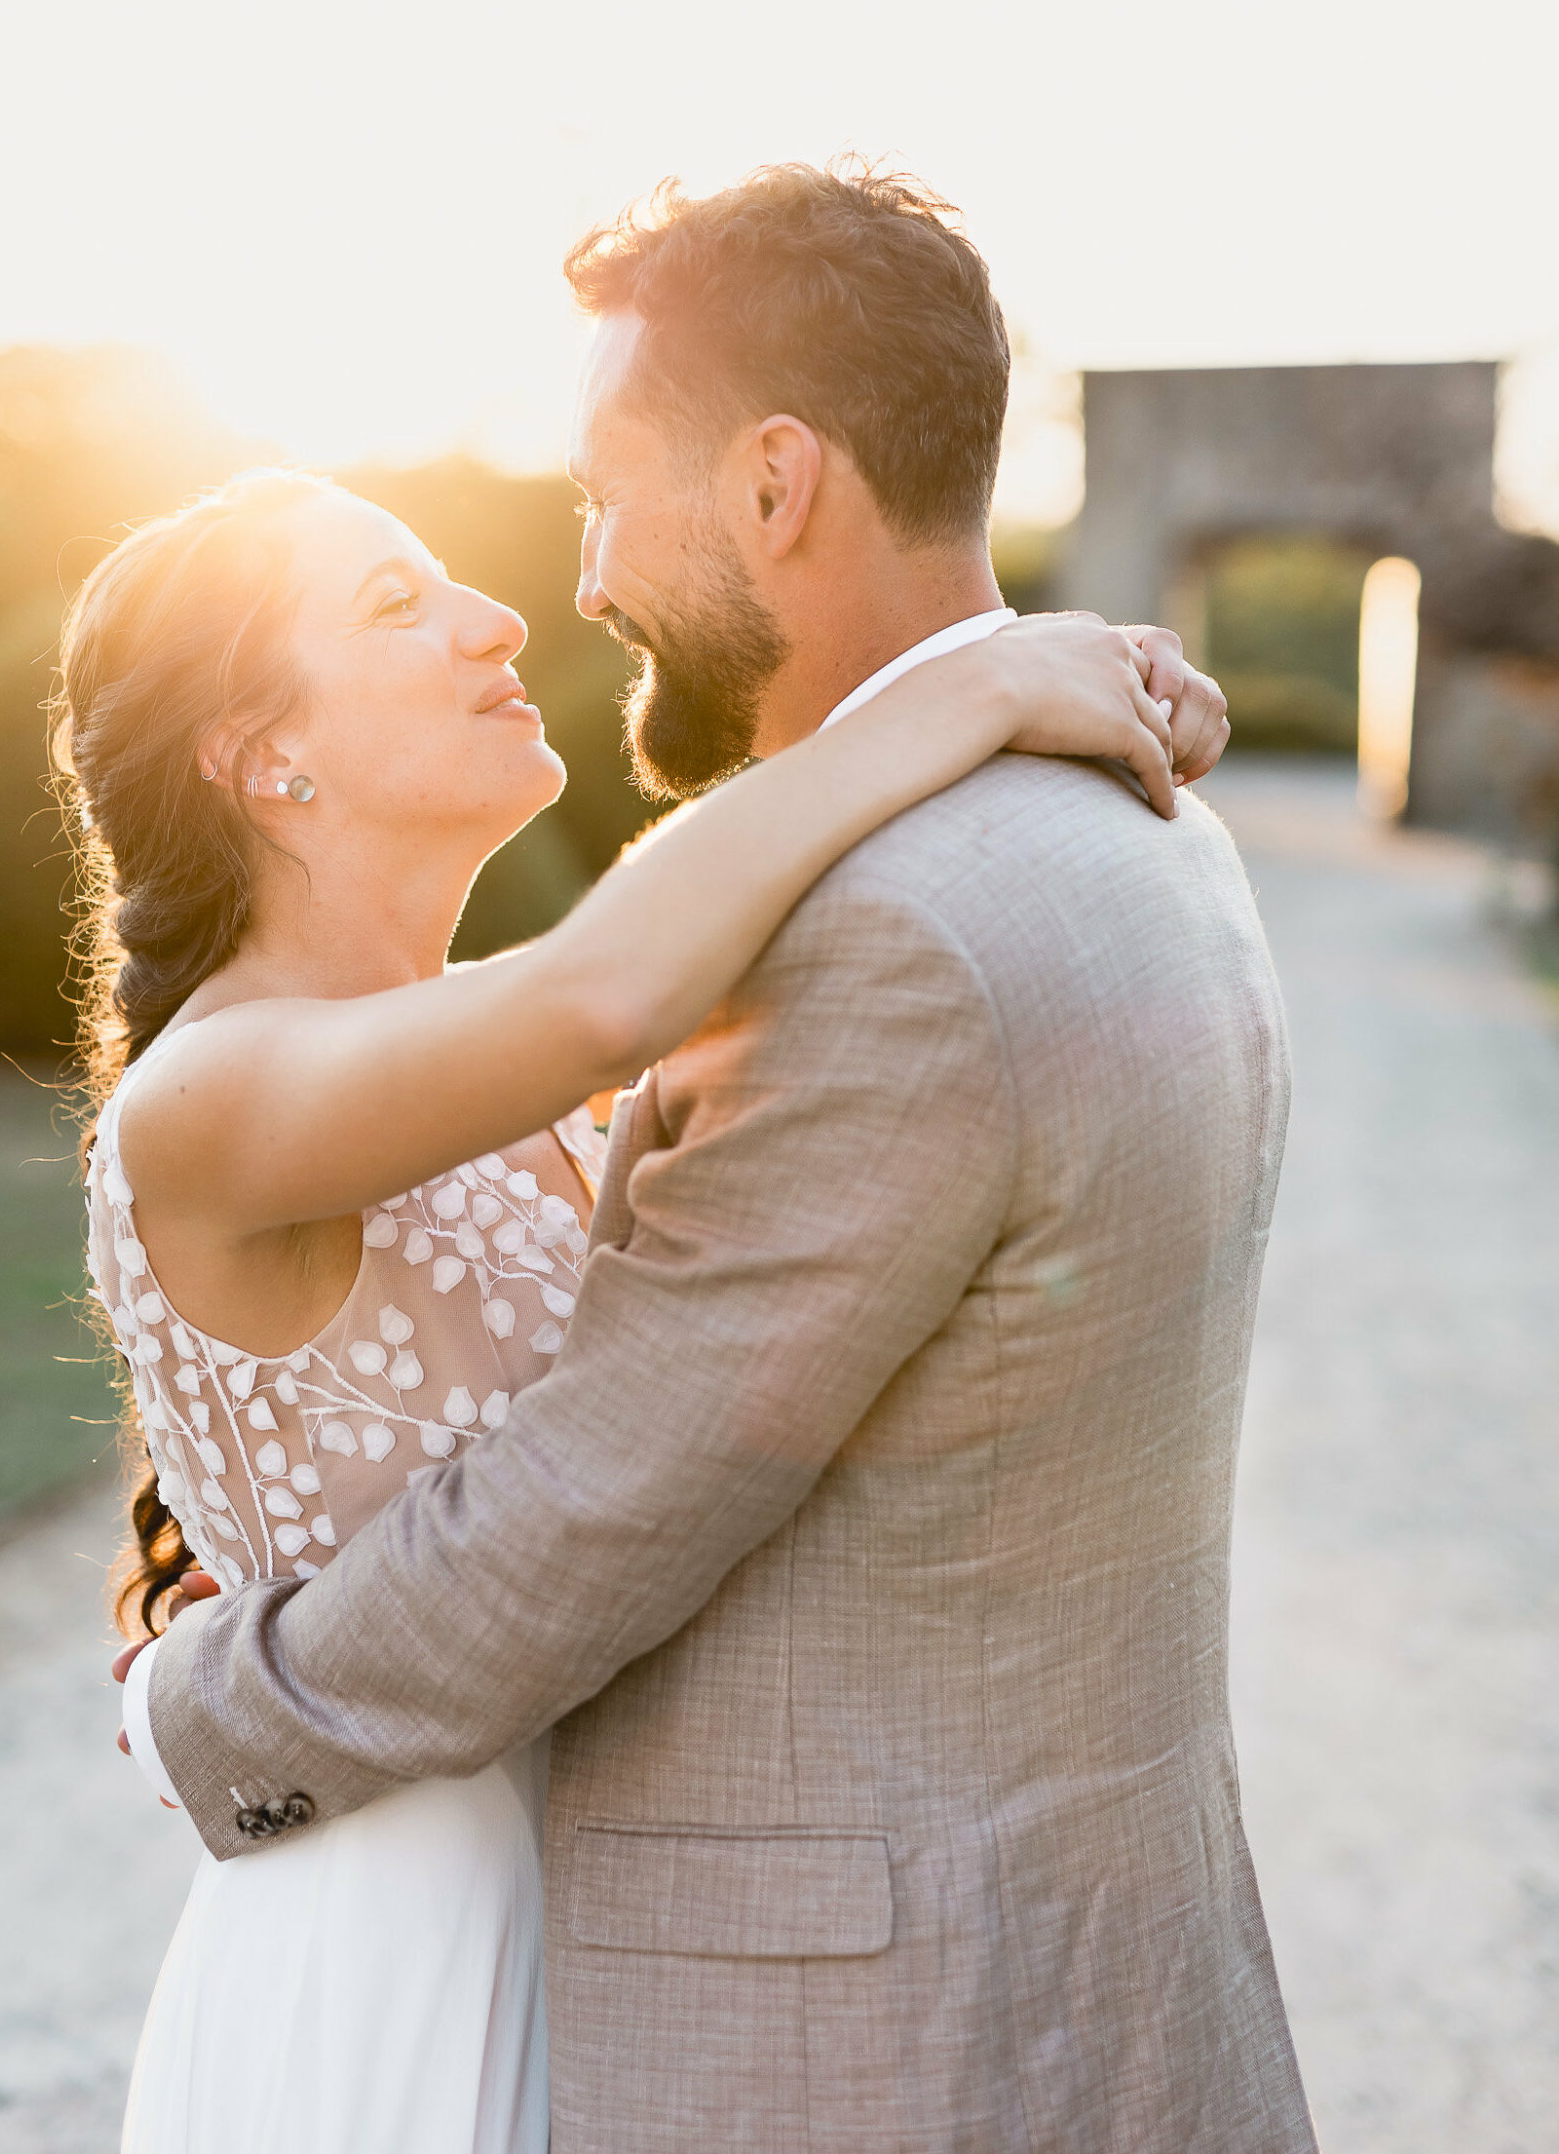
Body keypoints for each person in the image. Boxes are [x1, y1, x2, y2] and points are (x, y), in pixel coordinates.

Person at [108, 163, 1313, 2151]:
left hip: (886, 2030)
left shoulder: (890, 936)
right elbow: (592, 1003)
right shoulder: (1137, 814)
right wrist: (1008, 674)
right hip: (804, 1945)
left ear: (772, 487)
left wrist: (197, 1711)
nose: (565, 583)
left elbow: (577, 1515)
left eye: (601, 491)